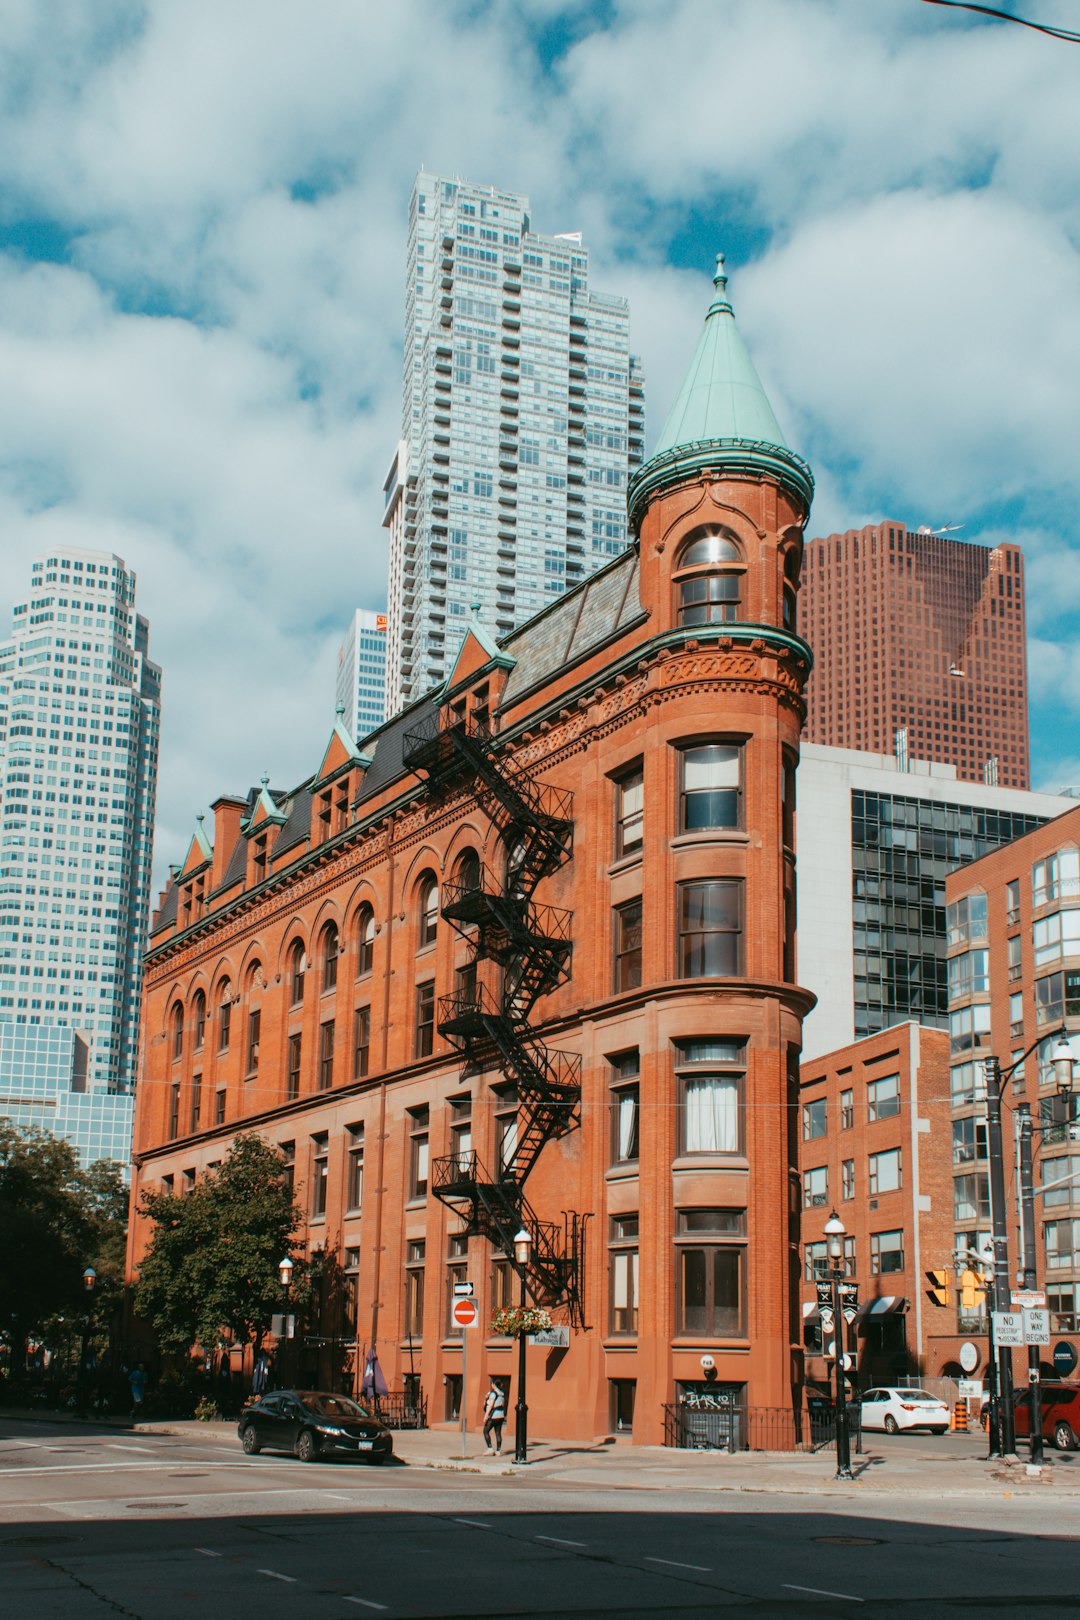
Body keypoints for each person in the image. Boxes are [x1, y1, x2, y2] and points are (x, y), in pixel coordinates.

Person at [482, 1377, 506, 1455]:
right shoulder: (502, 1393)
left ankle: (490, 1448)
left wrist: (486, 1416)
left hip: (493, 1416)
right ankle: (498, 1451)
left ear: (493, 1384)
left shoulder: (493, 1393)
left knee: (485, 1431)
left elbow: (490, 1405)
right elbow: (503, 1404)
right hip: (501, 1415)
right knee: (498, 1432)